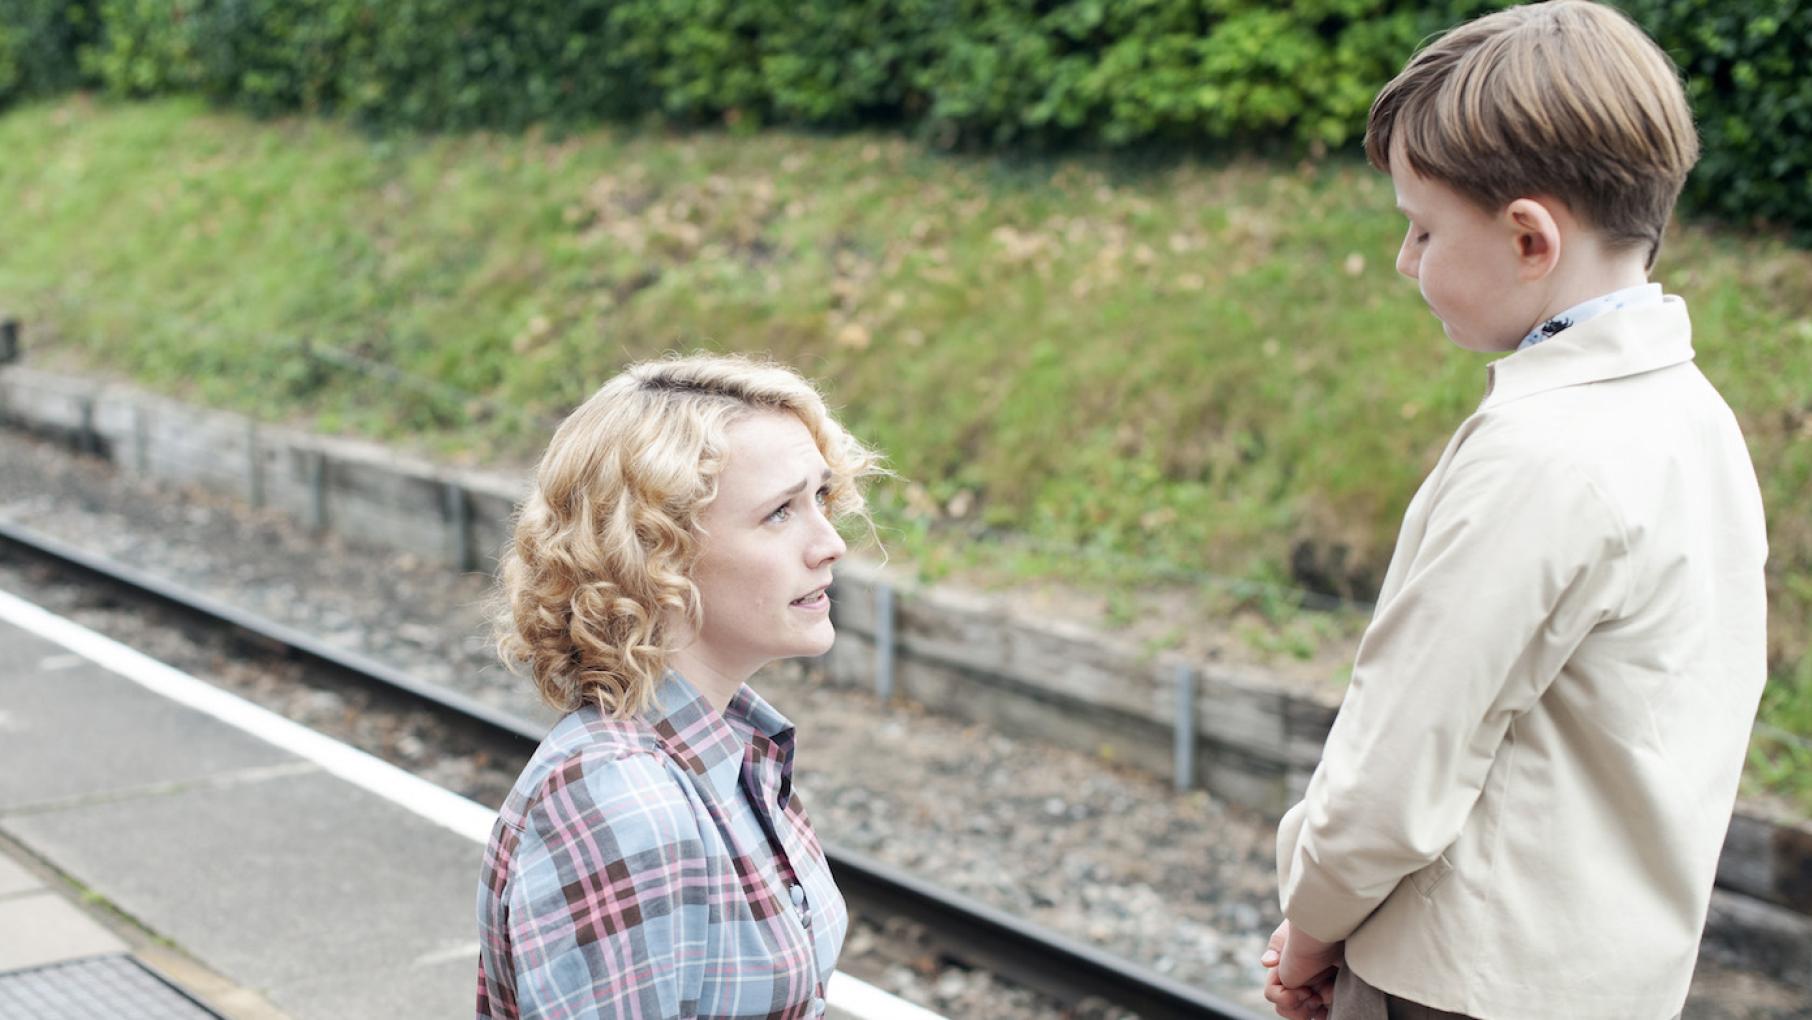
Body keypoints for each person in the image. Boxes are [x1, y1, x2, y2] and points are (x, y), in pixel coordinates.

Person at [1260, 3, 1768, 1018]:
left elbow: (1399, 761)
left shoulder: (1540, 454)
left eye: (1423, 227)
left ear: (1530, 236)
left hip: (1455, 985)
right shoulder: (1696, 422)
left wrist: (1310, 928)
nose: (1407, 260)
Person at [475, 353, 881, 1019]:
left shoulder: (728, 751)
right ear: (655, 555)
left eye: (822, 498)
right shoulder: (626, 804)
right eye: (780, 512)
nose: (830, 542)